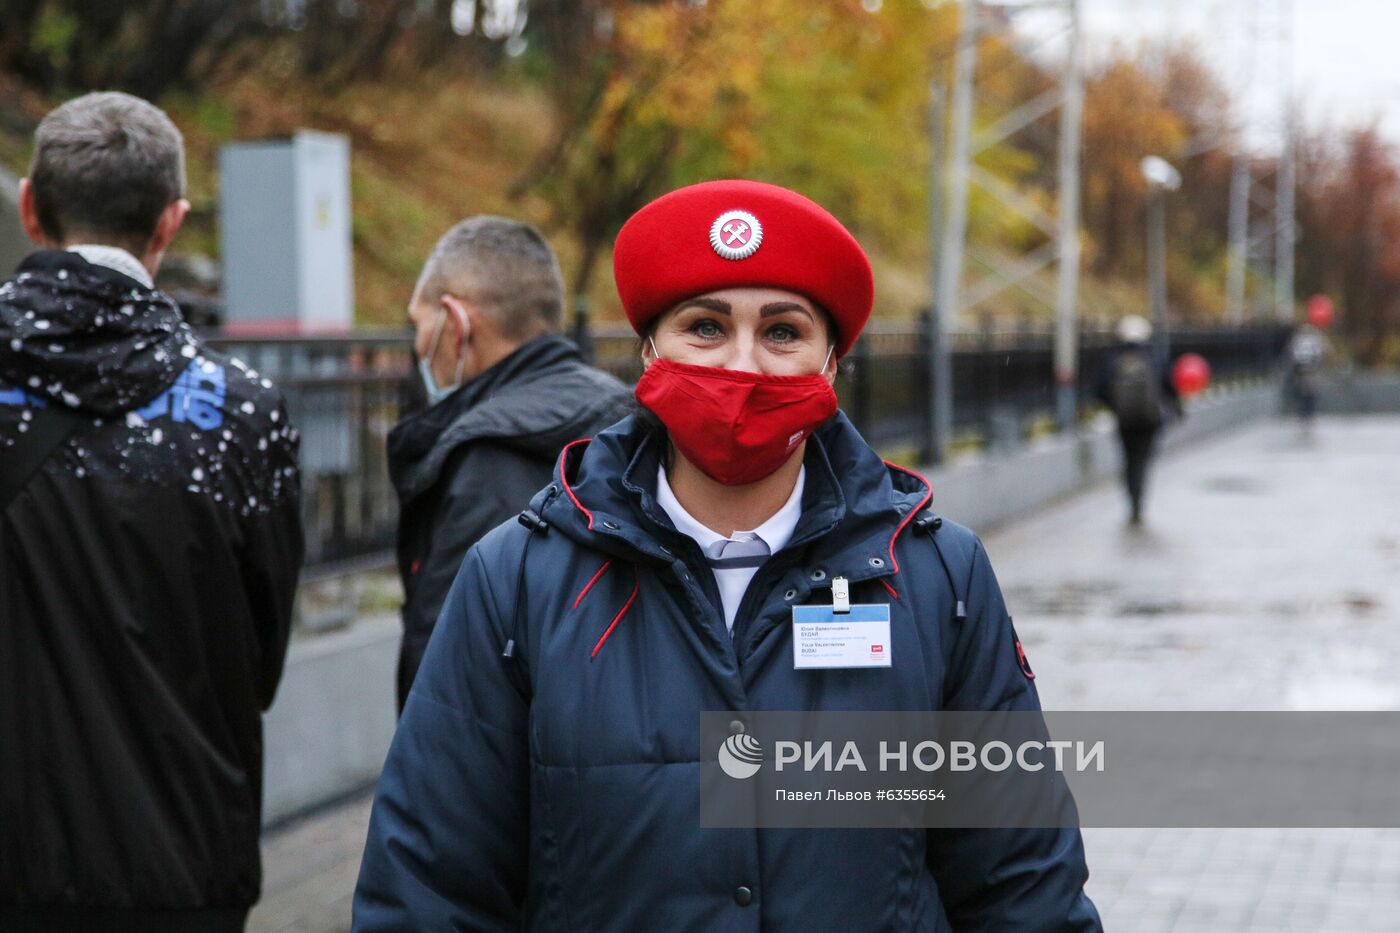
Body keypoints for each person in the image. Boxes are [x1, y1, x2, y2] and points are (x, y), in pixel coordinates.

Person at [353, 180, 1101, 930]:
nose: (743, 366)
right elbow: (428, 888)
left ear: (831, 361)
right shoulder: (516, 578)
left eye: (783, 332)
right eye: (705, 327)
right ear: (649, 349)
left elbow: (1021, 884)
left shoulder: (939, 579)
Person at [0, 92, 303, 931]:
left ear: (31, 206)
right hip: (181, 861)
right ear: (170, 223)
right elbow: (260, 661)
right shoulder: (244, 412)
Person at [387, 216, 631, 708]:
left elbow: (450, 673)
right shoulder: (623, 420)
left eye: (419, 325)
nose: (417, 347)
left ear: (455, 323)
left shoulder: (485, 459)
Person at [1096, 314, 1181, 526]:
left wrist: (1116, 407)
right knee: (1142, 461)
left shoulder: (1112, 359)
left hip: (1124, 420)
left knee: (1128, 460)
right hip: (1149, 420)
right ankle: (1138, 501)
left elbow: (1099, 389)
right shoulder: (1153, 357)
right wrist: (1176, 410)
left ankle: (1131, 497)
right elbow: (1169, 386)